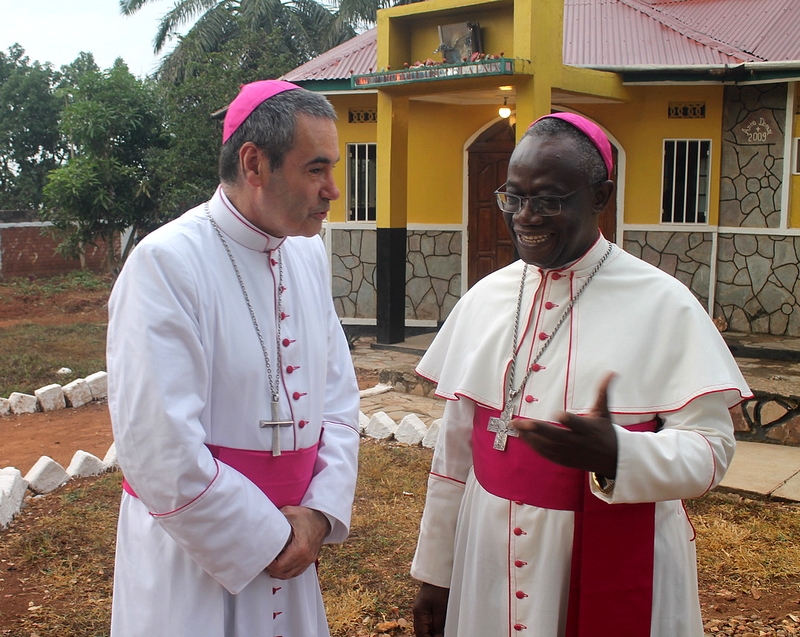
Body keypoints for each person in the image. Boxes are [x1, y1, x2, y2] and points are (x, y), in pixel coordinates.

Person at [410, 112, 752, 637]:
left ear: (600, 196)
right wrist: (435, 571)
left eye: (548, 199)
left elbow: (711, 450)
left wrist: (620, 456)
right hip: (488, 549)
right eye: (514, 197)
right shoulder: (485, 298)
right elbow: (454, 454)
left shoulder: (663, 304)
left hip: (616, 548)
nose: (526, 216)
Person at [107, 80, 361, 637]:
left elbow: (339, 401)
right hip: (192, 558)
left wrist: (318, 515)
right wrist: (267, 536)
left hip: (296, 540)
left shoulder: (307, 251)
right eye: (316, 169)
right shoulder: (166, 263)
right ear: (254, 163)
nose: (333, 190)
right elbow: (159, 449)